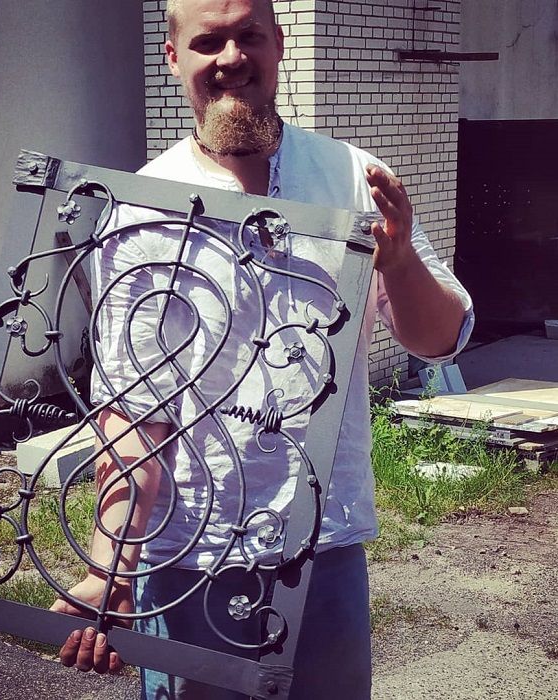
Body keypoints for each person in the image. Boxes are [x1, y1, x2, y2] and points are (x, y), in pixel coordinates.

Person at [50, 1, 474, 697]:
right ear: (173, 57)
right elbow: (133, 412)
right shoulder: (141, 209)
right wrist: (111, 565)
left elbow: (440, 341)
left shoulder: (354, 178)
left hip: (323, 544)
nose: (230, 57)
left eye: (248, 35)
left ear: (278, 44)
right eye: (207, 41)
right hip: (187, 556)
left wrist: (399, 264)